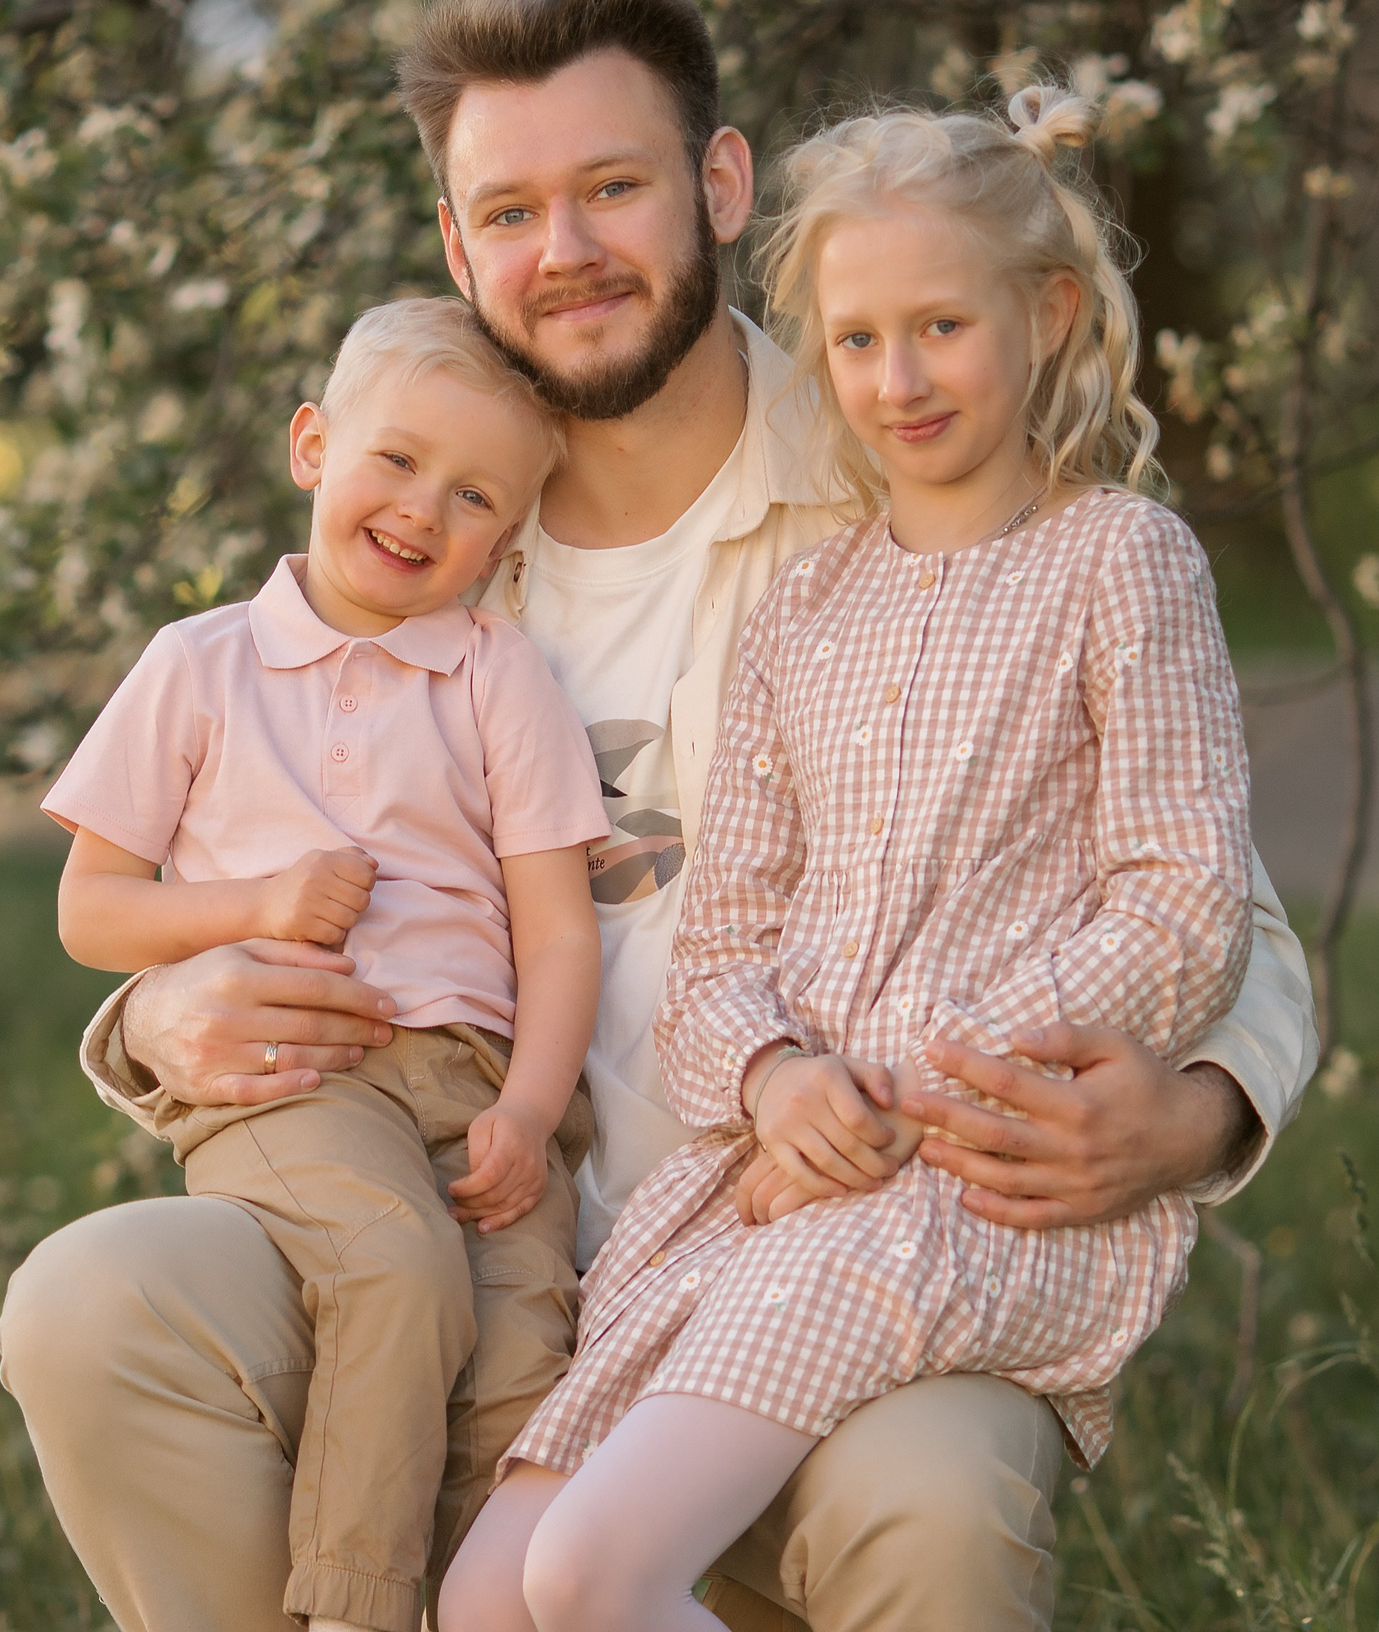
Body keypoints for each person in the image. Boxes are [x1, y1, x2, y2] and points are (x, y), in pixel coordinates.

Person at [0, 0, 1320, 1632]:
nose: (565, 254)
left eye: (612, 188)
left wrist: (1189, 1112)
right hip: (472, 1241)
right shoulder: (412, 548)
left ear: (719, 182)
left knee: (933, 1503)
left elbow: (1211, 905)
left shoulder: (909, 477)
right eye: (512, 211)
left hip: (842, 1220)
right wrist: (161, 1014)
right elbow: (199, 875)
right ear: (456, 242)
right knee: (94, 1303)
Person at [440, 83, 1250, 1632]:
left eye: (942, 327)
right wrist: (773, 1079)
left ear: (1051, 313)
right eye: (861, 342)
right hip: (773, 1182)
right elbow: (727, 947)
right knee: (487, 1603)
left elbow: (1184, 901)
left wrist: (932, 1067)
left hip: (960, 1182)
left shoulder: (1118, 562)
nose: (900, 379)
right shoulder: (809, 611)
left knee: (592, 1578)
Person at [41, 295, 609, 1632]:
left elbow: (557, 927)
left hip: (478, 1086)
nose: (424, 510)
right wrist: (258, 902)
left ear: (512, 535)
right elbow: (91, 911)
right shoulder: (199, 666)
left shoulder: (495, 677)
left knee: (524, 1368)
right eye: (397, 460)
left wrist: (530, 1109)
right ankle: (354, 1609)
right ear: (313, 444)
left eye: (475, 497)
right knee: (392, 1262)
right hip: (298, 1073)